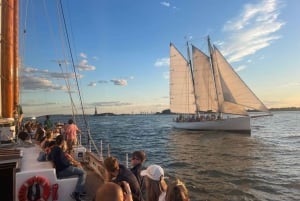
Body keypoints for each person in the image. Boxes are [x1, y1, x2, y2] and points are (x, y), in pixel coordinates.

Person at [48, 134, 86, 201]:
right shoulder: (59, 150)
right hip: (62, 171)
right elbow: (63, 163)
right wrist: (71, 163)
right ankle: (76, 193)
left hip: (59, 170)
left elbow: (50, 157)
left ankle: (80, 190)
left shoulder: (54, 149)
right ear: (63, 142)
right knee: (83, 173)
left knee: (79, 168)